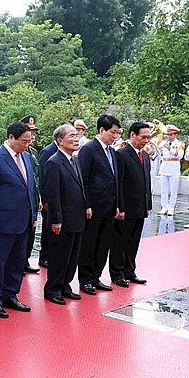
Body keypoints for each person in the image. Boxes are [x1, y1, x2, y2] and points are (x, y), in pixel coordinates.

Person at [0, 122, 37, 319]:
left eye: (29, 142)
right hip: (3, 221)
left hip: (24, 220)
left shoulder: (27, 158)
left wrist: (34, 216)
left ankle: (10, 294)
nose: (27, 145)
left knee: (17, 261)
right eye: (23, 141)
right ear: (11, 138)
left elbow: (30, 187)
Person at [42, 124, 90, 305]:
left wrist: (87, 206)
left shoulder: (74, 159)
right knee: (60, 256)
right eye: (72, 136)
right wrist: (56, 219)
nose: (76, 138)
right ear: (60, 141)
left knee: (72, 256)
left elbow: (80, 186)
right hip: (62, 219)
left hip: (77, 217)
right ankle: (53, 288)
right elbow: (52, 194)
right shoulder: (54, 162)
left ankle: (65, 285)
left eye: (77, 135)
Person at [77, 114, 122, 296]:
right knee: (90, 243)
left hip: (109, 206)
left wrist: (117, 203)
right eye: (113, 132)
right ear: (101, 130)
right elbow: (83, 180)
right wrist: (86, 204)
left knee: (104, 244)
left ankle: (96, 276)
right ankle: (85, 279)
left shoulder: (111, 151)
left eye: (118, 133)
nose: (115, 136)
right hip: (93, 206)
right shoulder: (89, 149)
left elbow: (115, 179)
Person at [110, 122, 152, 286]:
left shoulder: (145, 155)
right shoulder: (121, 154)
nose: (146, 140)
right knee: (120, 241)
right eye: (143, 137)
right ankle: (117, 273)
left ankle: (129, 270)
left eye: (148, 137)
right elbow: (118, 183)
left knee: (134, 241)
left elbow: (146, 182)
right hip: (126, 207)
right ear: (132, 135)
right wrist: (120, 206)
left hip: (140, 207)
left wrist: (148, 203)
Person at [21, 115, 41, 274]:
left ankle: (26, 259)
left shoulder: (32, 153)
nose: (33, 136)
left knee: (31, 231)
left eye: (34, 132)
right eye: (30, 132)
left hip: (33, 197)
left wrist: (39, 197)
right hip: (22, 199)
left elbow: (36, 177)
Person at [37, 136, 59, 269]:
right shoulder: (48, 151)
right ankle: (44, 256)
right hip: (49, 198)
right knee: (46, 227)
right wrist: (44, 199)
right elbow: (43, 176)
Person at [157, 125, 185, 215]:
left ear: (175, 134)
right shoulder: (163, 142)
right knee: (164, 189)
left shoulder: (180, 144)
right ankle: (164, 206)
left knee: (173, 189)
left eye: (171, 134)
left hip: (174, 167)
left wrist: (170, 149)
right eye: (168, 134)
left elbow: (180, 155)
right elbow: (158, 153)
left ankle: (171, 207)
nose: (169, 136)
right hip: (164, 166)